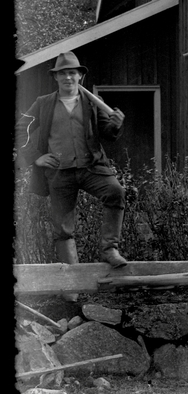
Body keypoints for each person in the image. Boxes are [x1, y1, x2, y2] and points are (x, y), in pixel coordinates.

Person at [16, 53, 128, 267]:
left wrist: (115, 124)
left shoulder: (94, 103)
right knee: (62, 228)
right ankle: (72, 282)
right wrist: (36, 157)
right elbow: (21, 129)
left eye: (72, 73)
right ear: (56, 78)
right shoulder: (43, 104)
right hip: (60, 171)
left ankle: (110, 250)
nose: (68, 77)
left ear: (80, 77)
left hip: (91, 167)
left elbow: (107, 132)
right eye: (63, 74)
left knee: (116, 192)